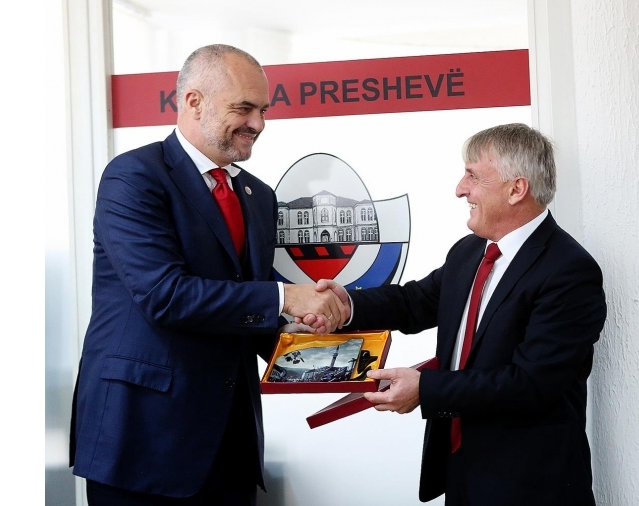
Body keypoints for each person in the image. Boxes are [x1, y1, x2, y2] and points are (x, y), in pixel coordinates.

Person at [69, 44, 346, 505]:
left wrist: (298, 333)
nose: (258, 124)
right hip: (143, 441)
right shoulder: (133, 176)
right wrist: (284, 299)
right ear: (193, 101)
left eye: (263, 110)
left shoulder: (258, 195)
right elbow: (165, 295)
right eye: (244, 108)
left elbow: (244, 307)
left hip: (229, 444)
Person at [315, 123, 608, 505]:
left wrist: (425, 390)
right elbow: (415, 302)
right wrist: (347, 305)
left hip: (530, 486)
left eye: (473, 176)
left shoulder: (569, 271)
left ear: (516, 189)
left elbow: (530, 384)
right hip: (461, 475)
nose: (460, 189)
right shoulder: (469, 252)